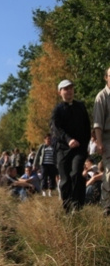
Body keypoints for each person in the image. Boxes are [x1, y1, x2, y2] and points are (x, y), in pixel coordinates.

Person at [51, 79, 91, 213]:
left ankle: (78, 207)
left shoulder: (80, 106)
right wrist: (68, 139)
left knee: (77, 174)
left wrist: (86, 145)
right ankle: (67, 209)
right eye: (65, 89)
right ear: (60, 92)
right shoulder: (58, 110)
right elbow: (56, 129)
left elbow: (87, 126)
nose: (69, 91)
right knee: (65, 179)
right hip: (63, 149)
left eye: (71, 88)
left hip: (79, 148)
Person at [93, 67, 110, 216]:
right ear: (106, 77)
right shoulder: (102, 97)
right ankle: (106, 207)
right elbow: (97, 124)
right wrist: (99, 143)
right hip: (107, 139)